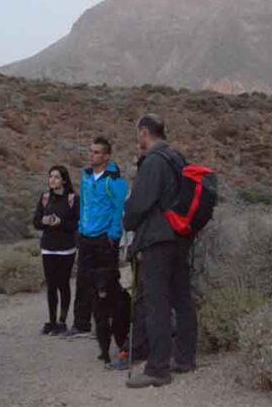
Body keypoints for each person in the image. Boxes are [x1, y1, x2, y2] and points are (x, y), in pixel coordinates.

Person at [123, 114, 197, 388]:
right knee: (182, 298)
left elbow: (139, 203)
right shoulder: (177, 158)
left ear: (144, 133)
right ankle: (185, 358)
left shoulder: (154, 162)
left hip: (157, 240)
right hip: (180, 238)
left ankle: (157, 368)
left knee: (157, 302)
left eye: (137, 134)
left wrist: (127, 221)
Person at [65, 136, 128, 338]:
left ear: (107, 156)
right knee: (83, 279)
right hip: (86, 235)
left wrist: (113, 234)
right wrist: (80, 226)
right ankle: (81, 322)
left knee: (107, 281)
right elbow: (84, 204)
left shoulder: (115, 181)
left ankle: (108, 321)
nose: (92, 155)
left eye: (97, 152)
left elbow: (118, 209)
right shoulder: (85, 176)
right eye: (91, 151)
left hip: (105, 238)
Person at [32, 165, 79, 335]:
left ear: (64, 180)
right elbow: (35, 221)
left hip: (66, 248)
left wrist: (61, 223)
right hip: (48, 248)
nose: (52, 180)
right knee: (51, 285)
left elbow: (75, 224)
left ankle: (62, 321)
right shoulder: (45, 198)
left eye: (56, 177)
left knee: (63, 284)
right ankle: (51, 321)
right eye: (50, 176)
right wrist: (43, 221)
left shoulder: (73, 199)